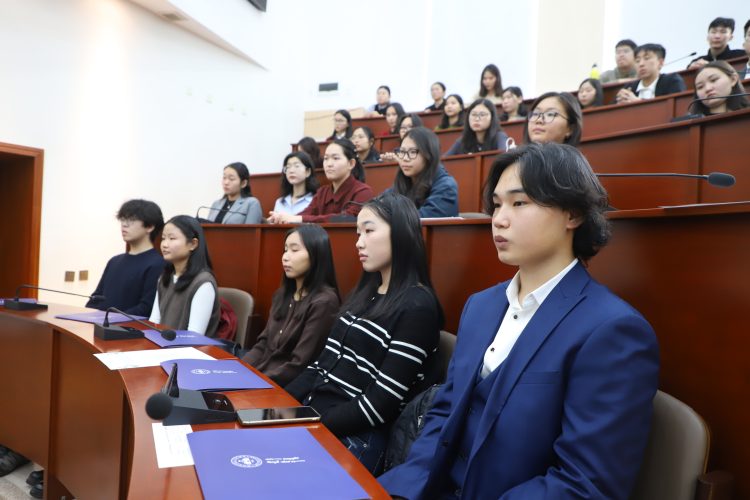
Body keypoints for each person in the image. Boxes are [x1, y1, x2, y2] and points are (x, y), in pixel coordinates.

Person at [378, 143, 660, 499]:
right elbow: (445, 414)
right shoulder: (480, 306)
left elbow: (584, 483)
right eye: (497, 205)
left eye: (519, 203)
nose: (499, 219)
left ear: (572, 213)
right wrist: (404, 490)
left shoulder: (612, 330)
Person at [286, 192, 443, 475]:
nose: (359, 242)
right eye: (358, 233)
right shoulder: (365, 292)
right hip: (315, 416)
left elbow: (380, 404)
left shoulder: (418, 305)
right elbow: (321, 365)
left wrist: (311, 424)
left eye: (369, 231)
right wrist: (281, 405)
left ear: (401, 234)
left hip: (357, 435)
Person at [243, 224, 340, 386]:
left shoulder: (324, 302)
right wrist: (237, 370)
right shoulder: (282, 295)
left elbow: (299, 364)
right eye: (285, 249)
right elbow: (263, 345)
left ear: (316, 254)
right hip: (261, 375)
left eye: (294, 250)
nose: (285, 257)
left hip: (283, 387)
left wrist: (253, 382)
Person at [86, 199, 165, 317]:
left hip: (128, 327)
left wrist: (109, 319)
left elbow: (146, 308)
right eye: (122, 219)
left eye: (131, 220)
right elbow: (96, 298)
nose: (124, 224)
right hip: (101, 325)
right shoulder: (114, 261)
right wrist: (87, 316)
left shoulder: (158, 264)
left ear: (149, 226)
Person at [267, 139, 374, 224]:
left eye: (335, 158)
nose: (329, 164)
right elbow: (306, 214)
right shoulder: (322, 192)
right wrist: (283, 218)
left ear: (351, 164)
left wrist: (299, 219)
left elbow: (348, 218)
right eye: (326, 158)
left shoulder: (363, 191)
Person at [149, 215, 220, 336]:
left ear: (193, 244)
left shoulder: (203, 283)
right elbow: (153, 323)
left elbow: (194, 336)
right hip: (161, 344)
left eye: (172, 238)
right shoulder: (164, 278)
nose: (164, 244)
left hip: (187, 347)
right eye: (163, 238)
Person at [391, 127, 458, 218]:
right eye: (402, 151)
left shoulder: (446, 186)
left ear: (429, 155)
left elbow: (422, 219)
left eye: (412, 152)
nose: (405, 158)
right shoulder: (403, 182)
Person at [616, 44, 687, 104]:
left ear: (660, 62)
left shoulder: (671, 81)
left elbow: (678, 106)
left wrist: (637, 102)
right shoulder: (629, 87)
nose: (641, 64)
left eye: (646, 58)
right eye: (637, 60)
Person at [444, 99, 509, 156]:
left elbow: (504, 158)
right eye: (474, 114)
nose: (477, 119)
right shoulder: (462, 140)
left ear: (492, 118)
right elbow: (444, 160)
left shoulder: (500, 137)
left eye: (482, 115)